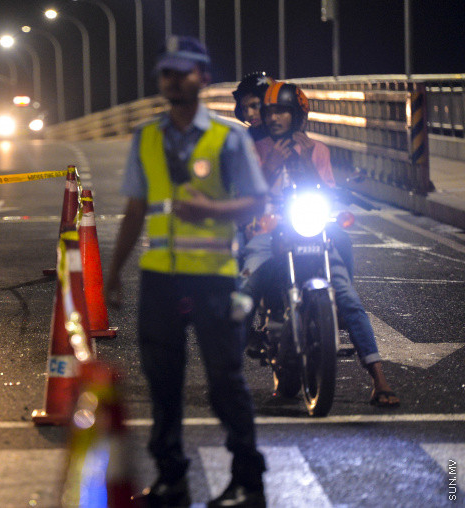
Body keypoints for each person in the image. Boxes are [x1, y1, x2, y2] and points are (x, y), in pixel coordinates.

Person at [104, 35, 269, 508]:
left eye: (183, 71)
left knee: (225, 382)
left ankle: (248, 482)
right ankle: (171, 478)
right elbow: (136, 209)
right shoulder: (147, 137)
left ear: (203, 77)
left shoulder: (228, 137)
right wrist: (113, 273)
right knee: (163, 384)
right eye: (166, 72)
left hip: (214, 276)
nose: (173, 80)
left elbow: (257, 202)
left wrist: (211, 210)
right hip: (159, 277)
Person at [241, 81, 400, 408]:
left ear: (298, 115)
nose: (274, 118)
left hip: (308, 227)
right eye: (270, 112)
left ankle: (379, 378)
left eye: (282, 111)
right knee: (245, 289)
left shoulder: (318, 150)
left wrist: (306, 162)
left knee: (347, 294)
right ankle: (231, 364)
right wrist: (271, 165)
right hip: (269, 230)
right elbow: (250, 195)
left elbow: (325, 192)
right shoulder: (255, 149)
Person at [232, 72, 276, 142]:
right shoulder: (248, 137)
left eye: (255, 106)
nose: (250, 114)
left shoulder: (291, 136)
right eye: (244, 108)